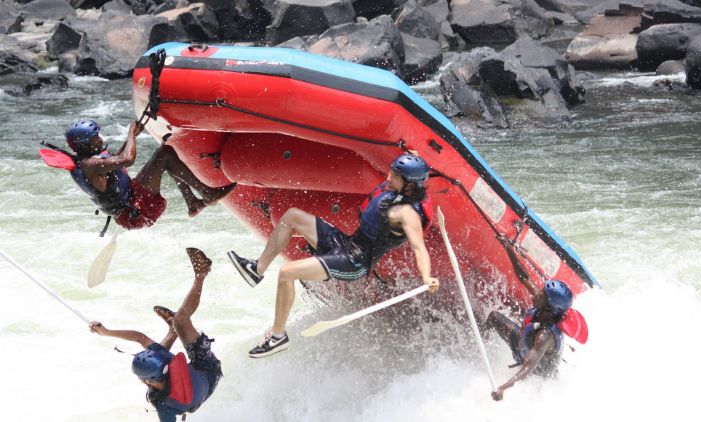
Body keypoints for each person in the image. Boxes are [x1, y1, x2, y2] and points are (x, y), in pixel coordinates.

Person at [227, 153, 441, 358]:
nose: (388, 177)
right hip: (346, 244)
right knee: (292, 216)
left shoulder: (407, 214)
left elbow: (418, 248)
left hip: (354, 262)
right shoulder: (406, 189)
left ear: (410, 184)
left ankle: (277, 336)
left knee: (286, 272)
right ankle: (257, 269)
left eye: (395, 176)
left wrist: (426, 277)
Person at [89, 247, 222, 421]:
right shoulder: (165, 376)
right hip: (209, 368)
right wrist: (105, 332)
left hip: (197, 379)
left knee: (179, 320)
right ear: (150, 381)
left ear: (147, 382)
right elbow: (139, 337)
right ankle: (175, 325)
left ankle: (201, 274)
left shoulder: (163, 397)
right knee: (180, 320)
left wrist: (106, 332)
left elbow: (139, 338)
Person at [58, 118, 235, 230]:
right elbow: (127, 159)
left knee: (165, 156)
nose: (101, 139)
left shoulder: (90, 162)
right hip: (137, 211)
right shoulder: (90, 165)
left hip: (132, 202)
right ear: (85, 145)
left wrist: (134, 136)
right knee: (164, 155)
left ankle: (193, 202)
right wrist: (130, 133)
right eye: (96, 137)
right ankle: (207, 194)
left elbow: (117, 161)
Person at [485, 238, 587, 401]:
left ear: (549, 306)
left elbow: (527, 368)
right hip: (523, 343)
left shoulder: (545, 336)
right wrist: (509, 249)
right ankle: (477, 346)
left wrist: (503, 388)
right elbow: (523, 277)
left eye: (541, 294)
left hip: (538, 372)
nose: (536, 293)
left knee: (528, 371)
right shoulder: (545, 304)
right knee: (493, 317)